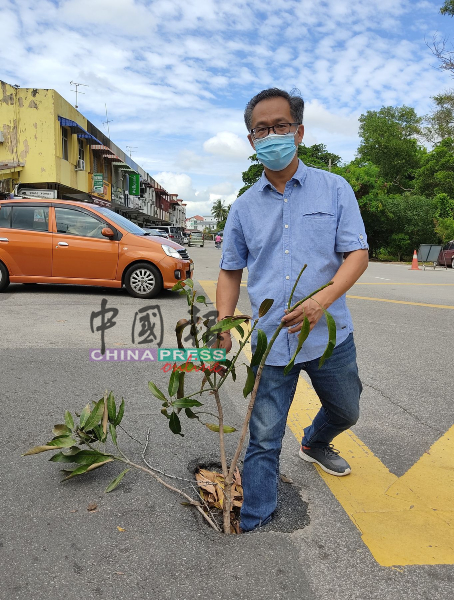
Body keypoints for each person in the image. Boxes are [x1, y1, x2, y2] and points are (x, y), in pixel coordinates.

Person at [215, 88, 369, 533]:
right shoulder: (243, 206)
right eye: (261, 129)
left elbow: (356, 254)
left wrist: (321, 300)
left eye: (281, 125)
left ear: (299, 131)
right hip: (270, 340)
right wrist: (223, 322)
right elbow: (229, 271)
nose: (272, 135)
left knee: (347, 411)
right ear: (251, 140)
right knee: (263, 436)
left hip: (330, 337)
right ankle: (255, 518)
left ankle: (316, 442)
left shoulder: (334, 189)